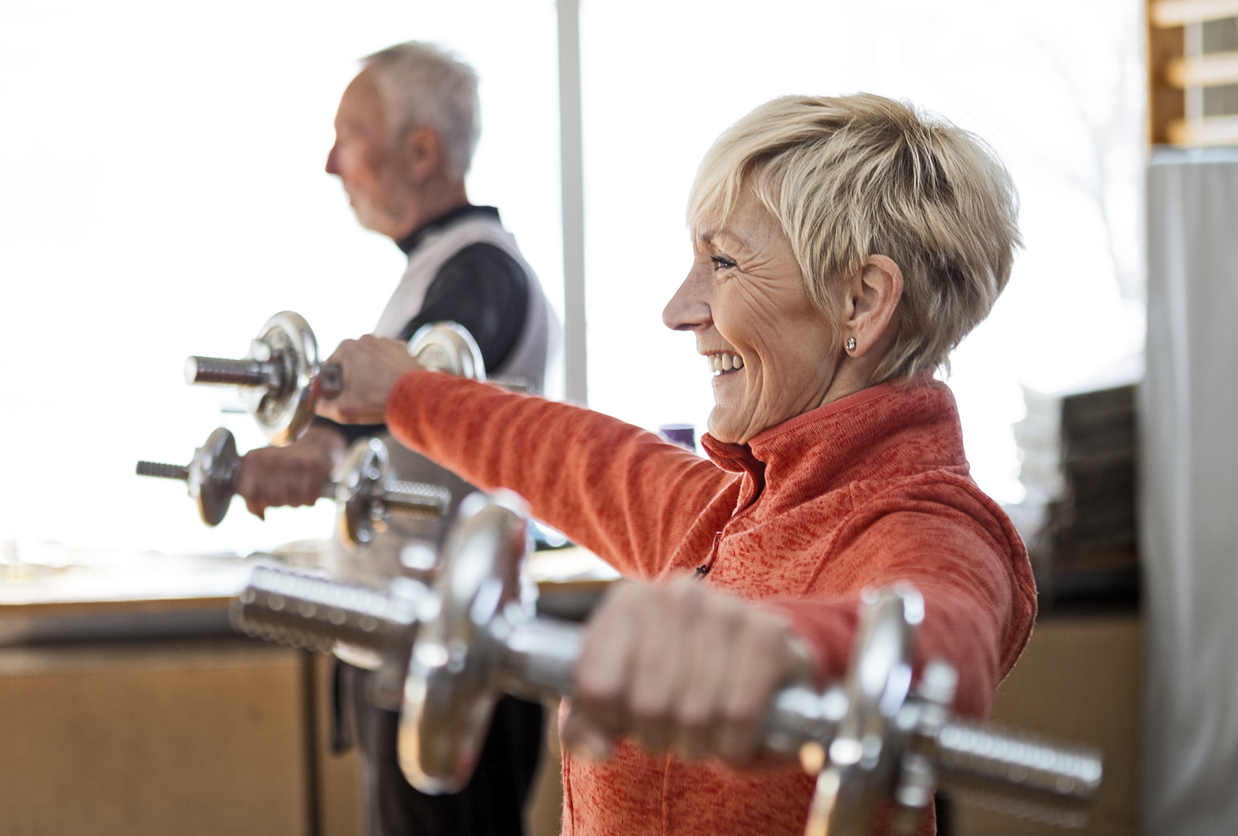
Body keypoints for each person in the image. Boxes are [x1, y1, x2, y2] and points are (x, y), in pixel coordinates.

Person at [317, 93, 1036, 836]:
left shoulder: (929, 522)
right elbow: (576, 458)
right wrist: (405, 392)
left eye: (722, 262)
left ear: (860, 300)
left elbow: (945, 641)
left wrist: (785, 651)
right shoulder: (735, 509)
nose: (678, 309)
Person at [235, 42, 555, 836]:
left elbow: (414, 399)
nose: (329, 163)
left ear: (420, 151)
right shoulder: (439, 269)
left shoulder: (478, 273)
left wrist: (316, 452)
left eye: (349, 134)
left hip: (451, 659)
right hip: (413, 648)